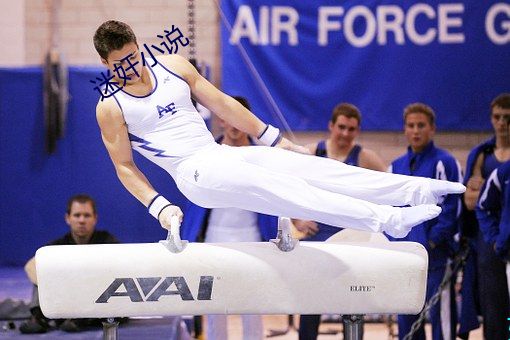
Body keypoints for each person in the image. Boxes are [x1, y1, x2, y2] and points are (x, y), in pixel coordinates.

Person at [92, 20, 464, 246]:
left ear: (139, 46)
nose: (130, 68)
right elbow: (124, 167)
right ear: (105, 65)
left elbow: (222, 103)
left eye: (133, 57)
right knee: (288, 190)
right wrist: (160, 206)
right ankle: (387, 220)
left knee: (311, 168)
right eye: (119, 65)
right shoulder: (110, 107)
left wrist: (273, 138)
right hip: (193, 174)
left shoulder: (173, 65)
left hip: (220, 156)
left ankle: (413, 189)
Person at [181, 96, 278, 340]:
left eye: (239, 120)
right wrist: (187, 238)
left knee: (253, 306)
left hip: (254, 239)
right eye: (229, 119)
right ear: (221, 120)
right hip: (214, 238)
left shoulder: (262, 159)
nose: (235, 126)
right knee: (215, 305)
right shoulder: (204, 154)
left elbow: (275, 199)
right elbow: (192, 198)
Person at [296, 102, 386, 340]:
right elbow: (285, 189)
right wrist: (297, 220)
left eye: (351, 129)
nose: (346, 134)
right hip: (317, 235)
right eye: (342, 127)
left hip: (351, 239)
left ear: (357, 131)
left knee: (354, 300)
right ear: (331, 126)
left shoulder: (366, 158)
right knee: (310, 302)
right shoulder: (311, 152)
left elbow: (389, 192)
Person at [387, 103, 462, 340]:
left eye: (421, 125)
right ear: (405, 130)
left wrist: (432, 241)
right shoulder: (395, 167)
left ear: (432, 129)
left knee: (442, 320)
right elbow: (388, 209)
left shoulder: (445, 163)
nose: (416, 131)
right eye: (411, 126)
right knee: (407, 321)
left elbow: (452, 209)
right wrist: (395, 243)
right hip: (405, 259)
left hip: (436, 257)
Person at [19, 194, 120, 334]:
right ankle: (38, 318)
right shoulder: (57, 246)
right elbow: (30, 266)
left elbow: (118, 270)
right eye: (77, 215)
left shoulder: (108, 242)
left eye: (87, 215)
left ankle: (80, 319)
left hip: (96, 301)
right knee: (42, 270)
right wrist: (60, 283)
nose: (82, 220)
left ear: (95, 218)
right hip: (65, 298)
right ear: (68, 218)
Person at [460, 93, 510, 340]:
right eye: (497, 117)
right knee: (493, 304)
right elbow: (469, 202)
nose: (502, 123)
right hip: (489, 238)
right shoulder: (482, 154)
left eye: (507, 118)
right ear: (491, 119)